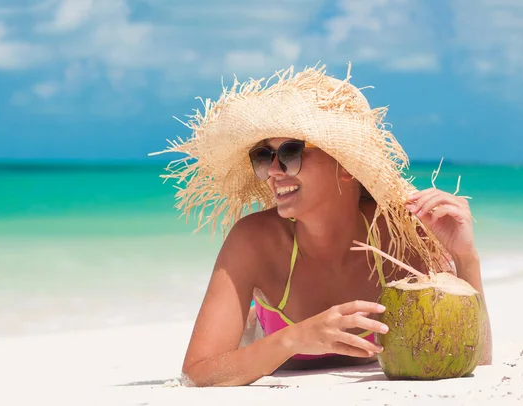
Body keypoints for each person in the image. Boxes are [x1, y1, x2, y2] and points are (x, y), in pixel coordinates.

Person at [151, 64, 492, 387]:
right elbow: (198, 373)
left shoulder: (402, 237)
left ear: (345, 165)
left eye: (290, 152)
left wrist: (465, 258)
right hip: (259, 340)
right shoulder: (255, 241)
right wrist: (295, 338)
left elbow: (472, 360)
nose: (273, 171)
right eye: (263, 156)